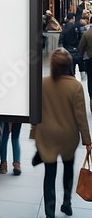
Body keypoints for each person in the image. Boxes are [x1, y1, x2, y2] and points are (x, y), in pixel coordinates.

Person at [32, 48, 91, 218]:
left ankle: (49, 213)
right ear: (68, 65)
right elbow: (81, 117)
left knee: (49, 174)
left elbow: (36, 113)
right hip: (68, 136)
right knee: (68, 169)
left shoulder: (42, 83)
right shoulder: (75, 86)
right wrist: (87, 140)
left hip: (47, 136)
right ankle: (67, 203)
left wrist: (34, 134)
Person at [59, 12, 83, 77]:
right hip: (74, 49)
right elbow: (78, 37)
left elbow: (61, 38)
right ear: (73, 18)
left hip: (67, 49)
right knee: (75, 63)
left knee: (69, 66)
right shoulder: (74, 27)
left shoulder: (64, 27)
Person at [77, 18, 92, 111]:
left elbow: (81, 48)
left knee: (90, 79)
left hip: (89, 60)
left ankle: (91, 97)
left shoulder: (86, 34)